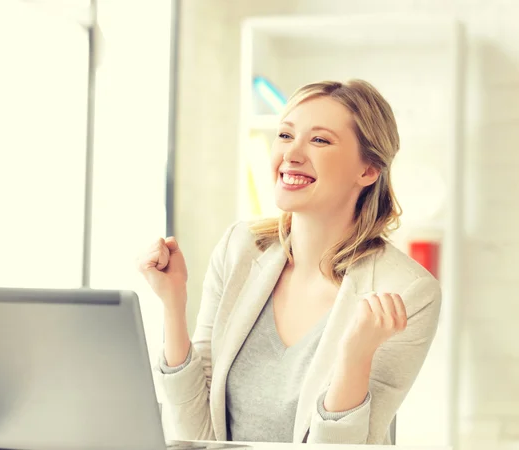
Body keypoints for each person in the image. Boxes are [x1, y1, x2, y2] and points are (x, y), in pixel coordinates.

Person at [137, 79, 441, 445]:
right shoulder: (240, 249)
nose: (291, 154)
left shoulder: (407, 291)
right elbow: (194, 436)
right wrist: (173, 304)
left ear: (369, 170)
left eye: (320, 140)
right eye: (284, 135)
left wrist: (354, 357)